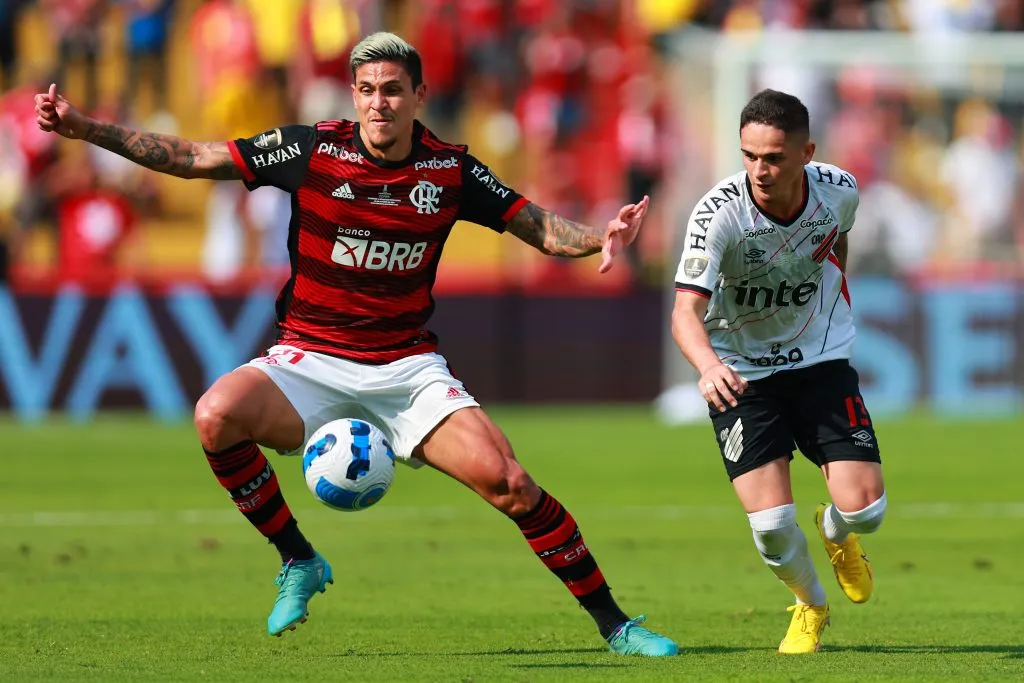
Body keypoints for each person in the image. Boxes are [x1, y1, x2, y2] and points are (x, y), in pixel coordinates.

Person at [34, 31, 678, 656]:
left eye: (393, 90)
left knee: (511, 483)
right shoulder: (308, 151)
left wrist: (601, 237)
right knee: (215, 416)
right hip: (309, 358)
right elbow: (193, 157)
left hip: (406, 367)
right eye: (367, 90)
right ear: (352, 94)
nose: (378, 103)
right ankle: (298, 559)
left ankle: (617, 626)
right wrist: (87, 129)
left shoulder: (451, 171)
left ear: (419, 95)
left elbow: (536, 226)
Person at [671, 89, 887, 654]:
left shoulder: (840, 191)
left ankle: (837, 535)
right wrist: (709, 365)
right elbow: (683, 312)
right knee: (770, 526)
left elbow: (838, 243)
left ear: (806, 152)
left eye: (774, 158)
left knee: (867, 510)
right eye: (749, 156)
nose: (759, 171)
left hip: (819, 359)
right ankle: (810, 605)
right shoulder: (718, 215)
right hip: (740, 371)